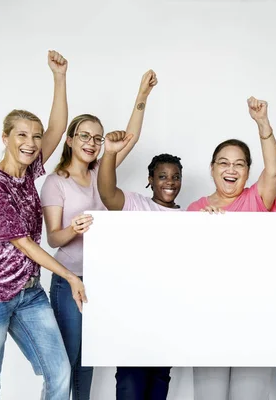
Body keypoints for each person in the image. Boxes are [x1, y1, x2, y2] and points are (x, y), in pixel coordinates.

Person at [0, 51, 87, 400]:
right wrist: (70, 275)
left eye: (35, 137)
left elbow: (59, 129)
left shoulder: (29, 171)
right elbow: (24, 243)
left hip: (29, 293)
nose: (31, 144)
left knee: (60, 373)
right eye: (22, 136)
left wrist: (59, 77)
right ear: (5, 138)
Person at [40, 70, 158, 399]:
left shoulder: (99, 174)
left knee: (87, 361)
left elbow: (128, 139)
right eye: (84, 136)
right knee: (66, 362)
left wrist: (142, 96)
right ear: (70, 140)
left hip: (101, 281)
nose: (92, 143)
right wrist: (73, 228)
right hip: (69, 279)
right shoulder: (55, 182)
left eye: (97, 138)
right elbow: (53, 239)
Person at [187, 97, 276, 400]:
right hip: (208, 320)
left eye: (239, 164)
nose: (231, 170)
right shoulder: (195, 209)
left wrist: (262, 124)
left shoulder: (257, 200)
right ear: (212, 169)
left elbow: (275, 170)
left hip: (254, 319)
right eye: (224, 163)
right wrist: (201, 229)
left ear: (248, 171)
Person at [98, 133, 183, 399]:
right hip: (132, 317)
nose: (169, 182)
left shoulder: (189, 216)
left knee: (158, 385)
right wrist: (110, 153)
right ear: (150, 180)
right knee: (131, 386)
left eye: (175, 176)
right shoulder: (136, 204)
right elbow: (106, 193)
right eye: (162, 176)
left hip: (166, 319)